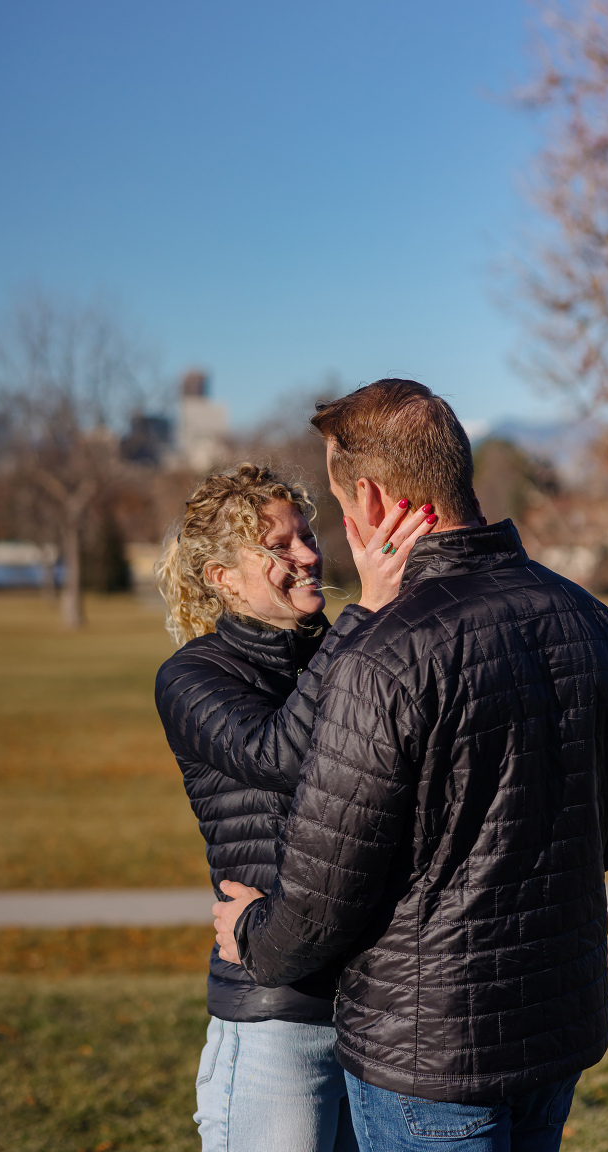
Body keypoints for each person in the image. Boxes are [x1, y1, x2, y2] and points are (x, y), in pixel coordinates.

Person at [212, 381, 608, 1152]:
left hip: (428, 1057)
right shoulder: (600, 625)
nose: (340, 531)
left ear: (374, 501)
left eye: (341, 507)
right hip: (556, 1025)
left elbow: (320, 901)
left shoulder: (384, 658)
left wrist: (250, 930)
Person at [154, 462, 438, 1152]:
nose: (309, 555)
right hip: (275, 1016)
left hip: (374, 1011)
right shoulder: (194, 675)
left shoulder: (339, 650)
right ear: (221, 577)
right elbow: (278, 755)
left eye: (307, 536)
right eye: (278, 547)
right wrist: (364, 617)